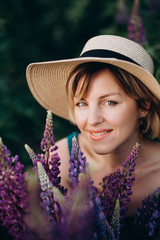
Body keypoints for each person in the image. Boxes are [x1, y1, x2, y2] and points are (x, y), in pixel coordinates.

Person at [26, 35, 160, 221]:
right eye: (82, 103)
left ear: (143, 106)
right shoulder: (58, 162)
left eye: (109, 102)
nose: (93, 119)